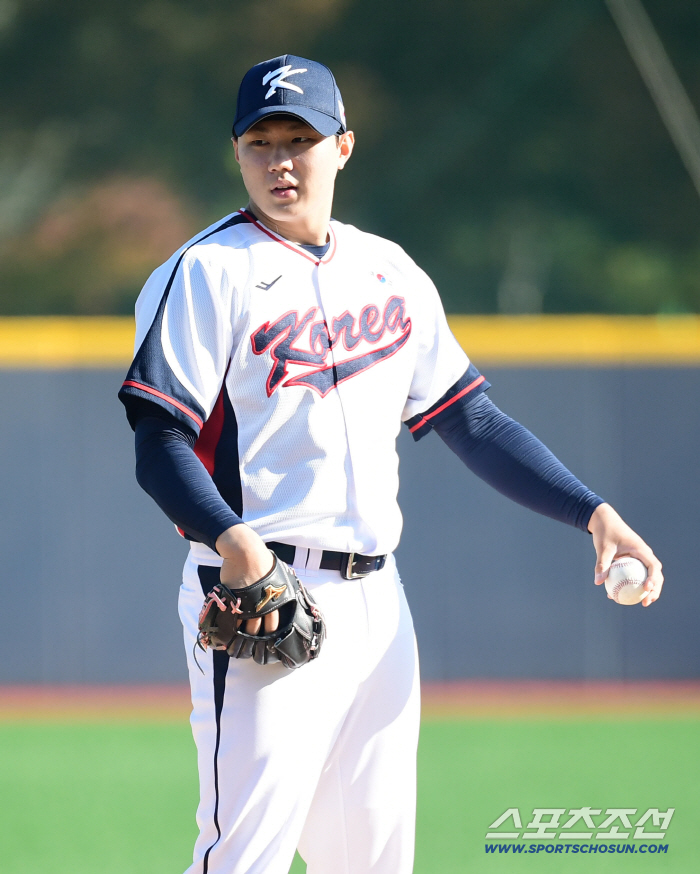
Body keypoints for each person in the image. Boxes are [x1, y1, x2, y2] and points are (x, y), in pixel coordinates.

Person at [118, 54, 663, 874]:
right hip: (264, 596)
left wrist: (592, 511)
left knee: (374, 860)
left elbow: (470, 419)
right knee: (243, 857)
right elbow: (158, 441)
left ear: (342, 147)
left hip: (380, 606)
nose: (279, 160)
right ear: (237, 153)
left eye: (299, 138)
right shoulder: (204, 274)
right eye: (259, 140)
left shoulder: (390, 269)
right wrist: (235, 546)